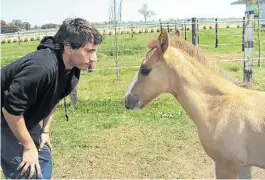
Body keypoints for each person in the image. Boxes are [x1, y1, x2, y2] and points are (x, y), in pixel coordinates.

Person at [1, 17, 103, 179]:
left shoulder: (71, 68)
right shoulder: (41, 68)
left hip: (21, 116)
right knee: (26, 171)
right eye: (89, 51)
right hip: (6, 117)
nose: (94, 59)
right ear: (69, 48)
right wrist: (28, 146)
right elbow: (9, 110)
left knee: (43, 157)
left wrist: (45, 131)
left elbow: (54, 97)